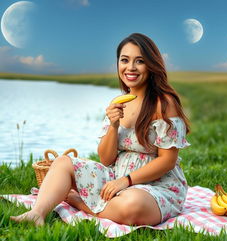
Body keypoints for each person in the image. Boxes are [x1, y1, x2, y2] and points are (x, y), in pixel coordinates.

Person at [11, 33, 190, 226]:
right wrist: (113, 126)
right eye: (124, 60)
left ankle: (79, 202)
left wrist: (126, 181)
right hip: (116, 175)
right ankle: (37, 213)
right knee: (63, 162)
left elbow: (167, 160)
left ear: (151, 65)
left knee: (133, 206)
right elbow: (106, 159)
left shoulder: (164, 103)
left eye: (139, 61)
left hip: (154, 184)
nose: (130, 67)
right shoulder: (118, 102)